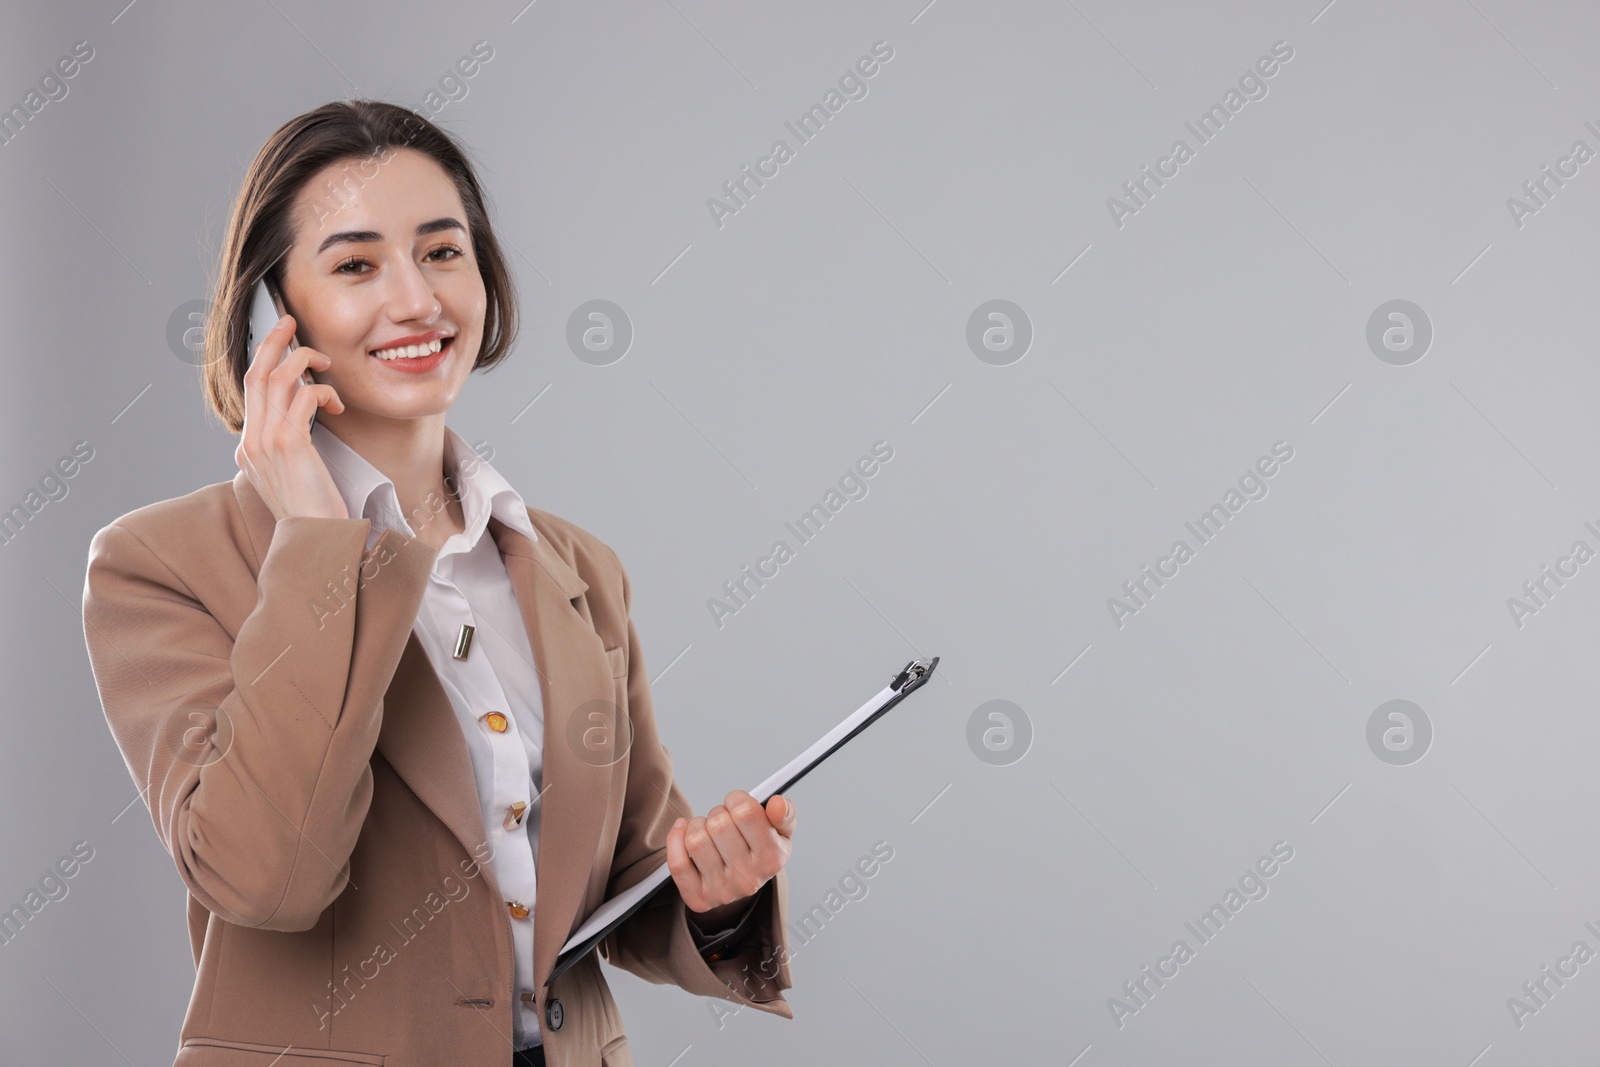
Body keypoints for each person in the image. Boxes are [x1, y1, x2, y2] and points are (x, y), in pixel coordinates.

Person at [81, 100, 796, 1067]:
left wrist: (716, 898)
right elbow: (265, 877)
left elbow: (624, 863)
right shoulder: (161, 563)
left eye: (443, 251)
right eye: (356, 264)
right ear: (270, 320)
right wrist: (316, 546)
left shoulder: (576, 566)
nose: (417, 301)